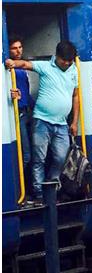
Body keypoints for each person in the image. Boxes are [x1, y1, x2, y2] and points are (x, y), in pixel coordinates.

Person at [5, 40, 79, 207]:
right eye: (64, 61)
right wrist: (11, 63)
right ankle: (39, 194)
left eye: (70, 61)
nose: (67, 64)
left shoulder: (74, 70)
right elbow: (24, 64)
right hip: (42, 121)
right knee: (39, 158)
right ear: (56, 57)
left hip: (61, 124)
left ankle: (50, 188)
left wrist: (74, 122)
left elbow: (75, 96)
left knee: (61, 158)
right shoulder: (45, 66)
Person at [7, 35, 34, 194]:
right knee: (25, 156)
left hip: (27, 113)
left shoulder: (23, 69)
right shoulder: (7, 70)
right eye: (14, 48)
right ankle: (18, 192)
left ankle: (28, 190)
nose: (18, 51)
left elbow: (27, 94)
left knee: (34, 155)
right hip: (18, 115)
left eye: (20, 47)